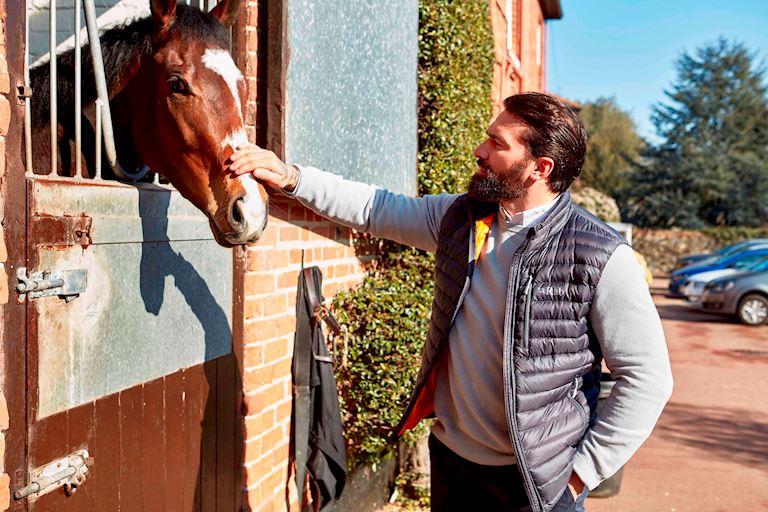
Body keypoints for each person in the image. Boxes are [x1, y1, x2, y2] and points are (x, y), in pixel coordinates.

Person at [229, 92, 673, 512]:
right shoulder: (461, 218)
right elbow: (377, 208)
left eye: (497, 143)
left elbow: (648, 378)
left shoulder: (599, 254)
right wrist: (291, 177)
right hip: (451, 462)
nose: (480, 150)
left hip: (536, 485)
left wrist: (579, 476)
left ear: (540, 167)